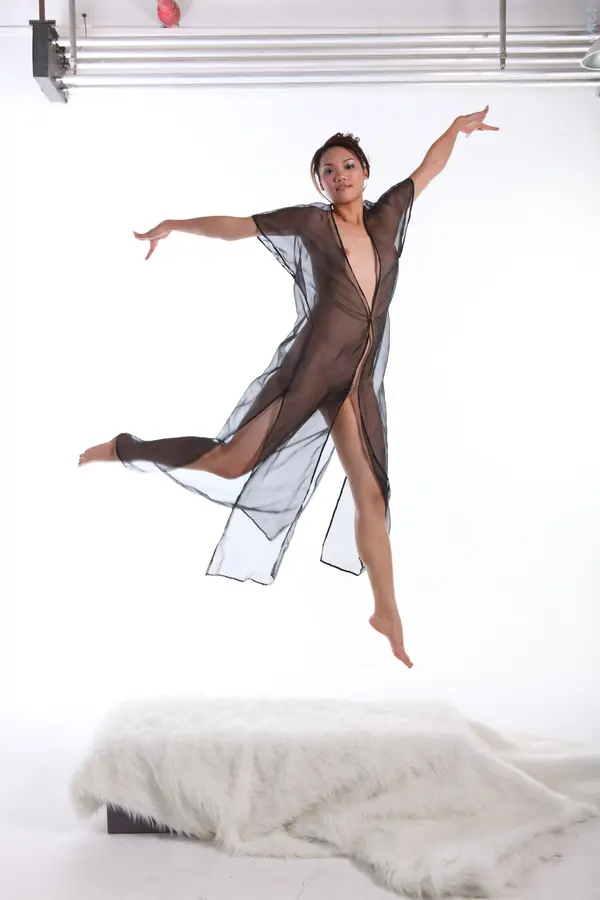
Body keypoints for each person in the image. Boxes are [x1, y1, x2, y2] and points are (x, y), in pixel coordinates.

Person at [79, 107, 498, 668]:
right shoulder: (312, 223)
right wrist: (175, 224)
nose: (339, 175)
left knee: (372, 495)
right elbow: (237, 226)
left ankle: (387, 611)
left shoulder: (388, 215)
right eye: (328, 170)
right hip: (310, 369)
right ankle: (125, 448)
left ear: (366, 172)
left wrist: (455, 129)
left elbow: (429, 168)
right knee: (231, 463)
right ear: (319, 183)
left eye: (348, 166)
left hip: (355, 381)